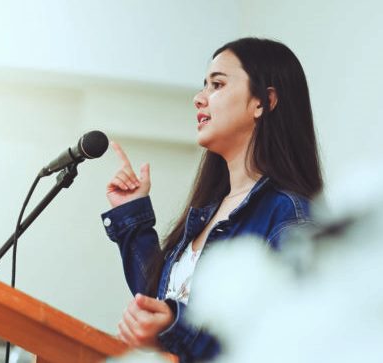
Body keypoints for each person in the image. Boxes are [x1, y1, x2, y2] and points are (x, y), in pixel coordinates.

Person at [99, 37, 323, 362]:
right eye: (204, 85)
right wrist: (131, 213)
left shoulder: (289, 214)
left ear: (263, 101)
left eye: (216, 84)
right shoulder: (208, 211)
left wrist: (175, 326)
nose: (198, 98)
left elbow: (278, 338)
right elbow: (158, 302)